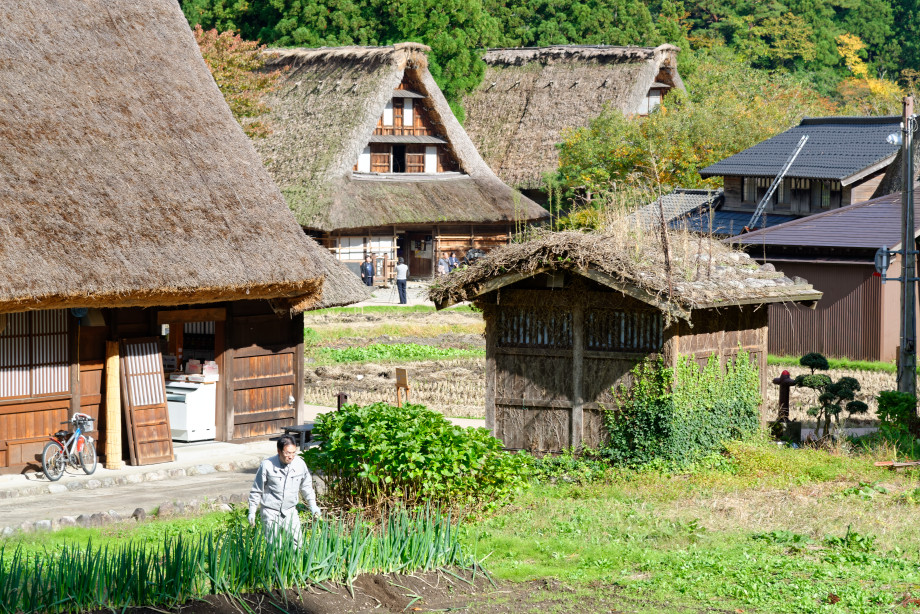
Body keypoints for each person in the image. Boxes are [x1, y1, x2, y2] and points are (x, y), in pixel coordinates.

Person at [248, 435, 321, 547]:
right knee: (274, 547)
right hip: (270, 511)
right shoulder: (267, 465)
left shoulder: (300, 464)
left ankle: (294, 564)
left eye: (293, 452)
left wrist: (313, 505)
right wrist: (252, 511)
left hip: (290, 511)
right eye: (287, 453)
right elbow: (257, 490)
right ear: (279, 451)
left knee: (298, 544)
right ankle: (274, 565)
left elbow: (306, 486)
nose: (291, 456)